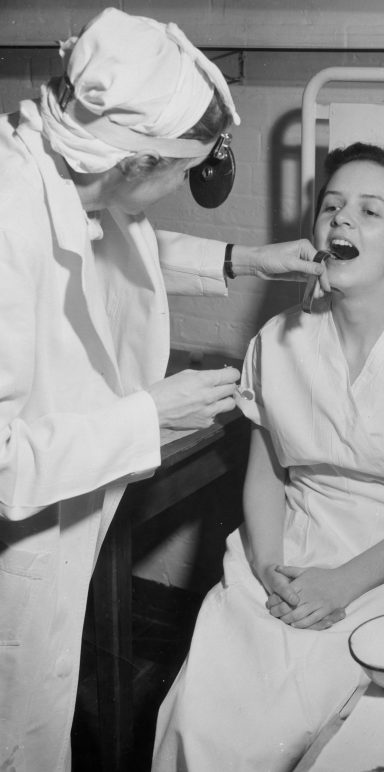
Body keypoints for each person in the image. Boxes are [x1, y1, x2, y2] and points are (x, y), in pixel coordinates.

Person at [0, 8, 326, 772]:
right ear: (130, 162)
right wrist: (152, 413)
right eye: (179, 169)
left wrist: (250, 258)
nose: (187, 184)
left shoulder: (74, 174)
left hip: (64, 512)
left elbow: (124, 241)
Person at [152, 142, 384, 771]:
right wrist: (268, 568)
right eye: (332, 207)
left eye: (370, 211)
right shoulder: (278, 340)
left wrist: (346, 583)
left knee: (335, 733)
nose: (342, 219)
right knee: (211, 716)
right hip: (288, 540)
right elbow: (266, 472)